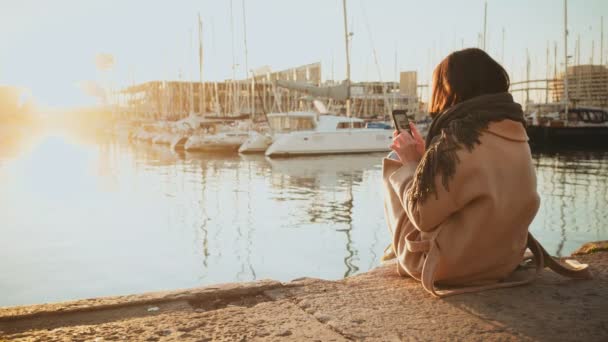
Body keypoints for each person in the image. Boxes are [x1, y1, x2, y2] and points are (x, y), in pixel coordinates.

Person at [382, 48, 590, 297]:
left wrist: (411, 162)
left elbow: (421, 215)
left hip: (450, 267)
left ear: (450, 90)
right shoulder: (515, 129)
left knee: (396, 162)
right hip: (503, 262)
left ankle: (397, 252)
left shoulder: (458, 138)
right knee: (418, 170)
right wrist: (426, 157)